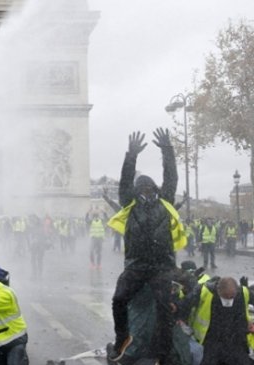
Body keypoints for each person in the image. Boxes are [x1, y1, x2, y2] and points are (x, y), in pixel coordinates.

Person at [106, 128, 185, 365]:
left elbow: (171, 177)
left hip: (161, 266)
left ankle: (164, 353)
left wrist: (167, 150)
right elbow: (125, 180)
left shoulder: (166, 201)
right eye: (142, 188)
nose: (146, 191)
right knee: (119, 299)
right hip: (137, 265)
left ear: (155, 189)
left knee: (164, 311)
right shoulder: (129, 204)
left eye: (150, 188)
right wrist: (131, 155)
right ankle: (122, 339)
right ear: (137, 191)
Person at [179, 276, 254, 365]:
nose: (229, 300)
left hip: (236, 340)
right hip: (210, 340)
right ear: (218, 290)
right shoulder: (205, 291)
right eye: (225, 296)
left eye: (232, 297)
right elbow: (184, 305)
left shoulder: (243, 293)